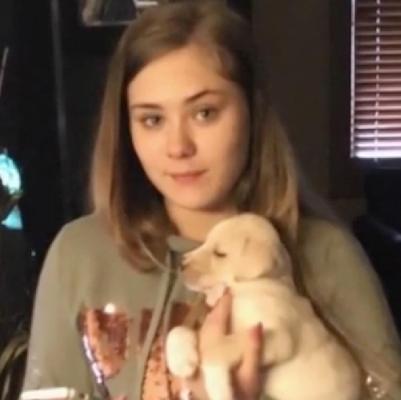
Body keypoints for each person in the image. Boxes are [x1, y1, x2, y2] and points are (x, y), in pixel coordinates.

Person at [22, 2, 401, 399]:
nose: (178, 147)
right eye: (152, 119)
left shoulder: (326, 254)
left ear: (252, 112)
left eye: (204, 113)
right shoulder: (78, 256)